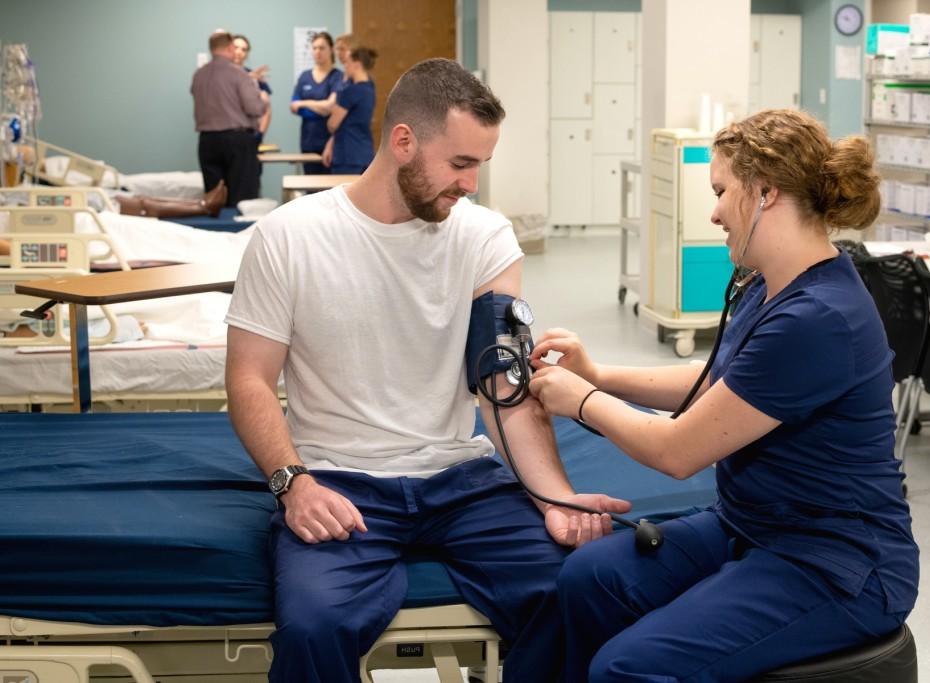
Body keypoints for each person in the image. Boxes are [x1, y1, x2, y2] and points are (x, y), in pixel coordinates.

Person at [224, 57, 629, 683]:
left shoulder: (486, 238)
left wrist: (552, 497)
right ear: (403, 141)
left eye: (480, 166)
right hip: (339, 481)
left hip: (459, 481)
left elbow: (502, 386)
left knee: (574, 592)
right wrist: (294, 484)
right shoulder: (289, 237)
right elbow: (249, 379)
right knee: (313, 626)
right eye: (460, 163)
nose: (471, 183)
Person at [527, 108, 920, 683]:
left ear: (764, 193)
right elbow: (717, 384)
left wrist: (580, 401)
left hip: (835, 564)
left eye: (720, 192)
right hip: (754, 525)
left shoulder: (819, 318)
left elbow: (678, 451)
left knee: (627, 668)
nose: (712, 212)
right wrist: (598, 374)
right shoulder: (771, 284)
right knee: (590, 580)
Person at [191, 30, 267, 207]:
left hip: (207, 141)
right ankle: (240, 234)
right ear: (230, 47)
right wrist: (260, 97)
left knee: (214, 198)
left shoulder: (198, 75)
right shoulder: (239, 74)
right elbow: (254, 108)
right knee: (242, 200)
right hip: (237, 142)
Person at [289, 32, 343, 175]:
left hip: (330, 143)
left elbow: (330, 107)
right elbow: (294, 107)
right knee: (311, 191)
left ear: (331, 49)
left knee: (330, 191)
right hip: (308, 141)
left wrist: (304, 103)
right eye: (314, 48)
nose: (317, 52)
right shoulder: (304, 77)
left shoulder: (338, 76)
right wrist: (320, 107)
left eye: (322, 48)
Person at [324, 46, 377, 174]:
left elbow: (332, 124)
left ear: (357, 64)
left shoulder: (349, 92)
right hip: (365, 154)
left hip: (347, 155)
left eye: (347, 62)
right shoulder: (370, 89)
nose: (345, 66)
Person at [231, 34, 272, 144]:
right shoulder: (219, 75)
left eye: (243, 49)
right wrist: (247, 79)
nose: (239, 52)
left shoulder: (255, 77)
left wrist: (259, 135)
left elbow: (266, 108)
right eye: (236, 47)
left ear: (247, 54)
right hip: (226, 135)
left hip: (249, 134)